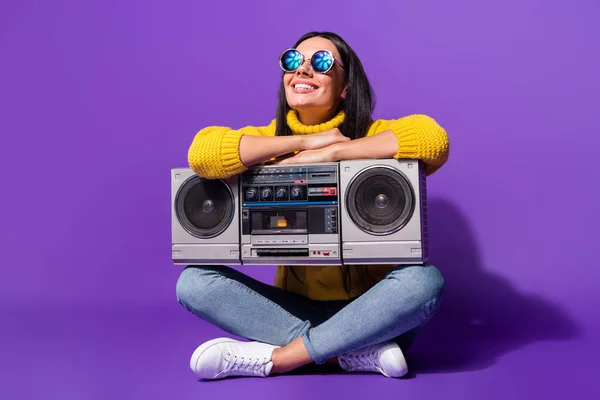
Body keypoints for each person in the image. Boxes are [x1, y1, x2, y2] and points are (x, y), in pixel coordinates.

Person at [176, 31, 449, 380]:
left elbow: (432, 139)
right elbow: (203, 154)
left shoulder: (373, 135)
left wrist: (334, 151)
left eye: (320, 62)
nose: (302, 70)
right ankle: (350, 353)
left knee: (423, 281)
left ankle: (279, 360)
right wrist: (305, 141)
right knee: (194, 283)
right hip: (292, 312)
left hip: (373, 312)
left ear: (346, 86)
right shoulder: (266, 140)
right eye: (292, 61)